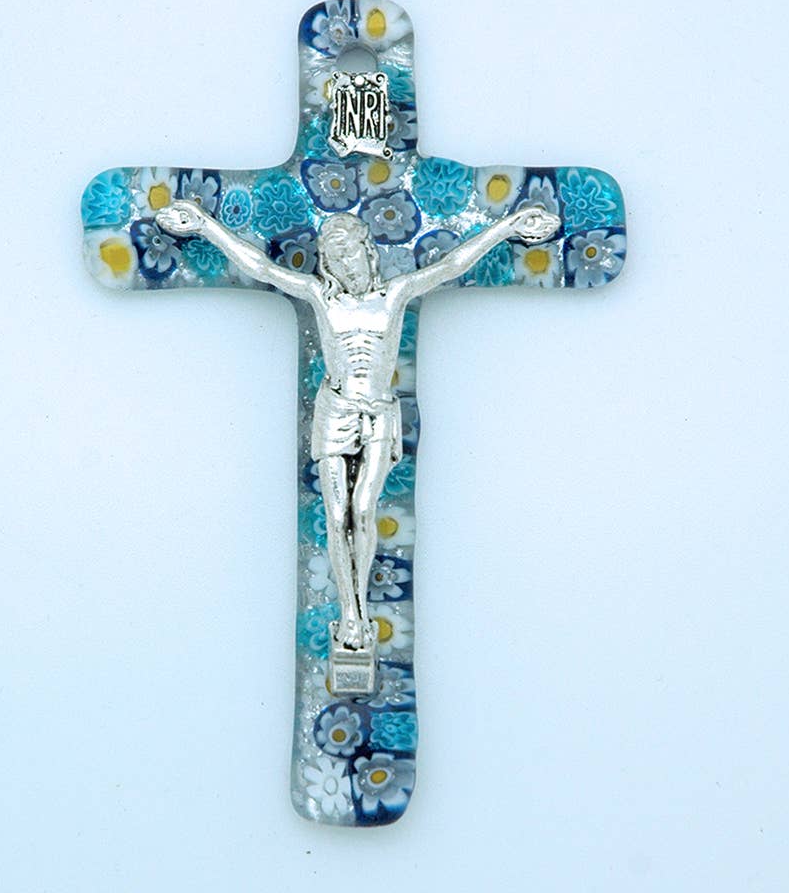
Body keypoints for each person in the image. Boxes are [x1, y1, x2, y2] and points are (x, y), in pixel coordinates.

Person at [157, 196, 560, 693]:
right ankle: (352, 616)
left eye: (349, 253)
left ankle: (360, 609)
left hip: (378, 413)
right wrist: (204, 225)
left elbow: (453, 263)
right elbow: (259, 266)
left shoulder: (394, 294)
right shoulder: (321, 297)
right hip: (336, 411)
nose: (344, 265)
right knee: (335, 516)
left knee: (364, 510)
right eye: (334, 257)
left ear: (368, 252)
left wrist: (509, 226)